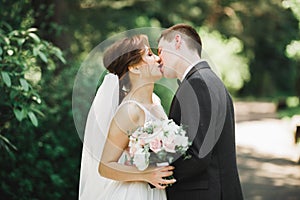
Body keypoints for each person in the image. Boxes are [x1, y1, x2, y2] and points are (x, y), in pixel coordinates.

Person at [78, 34, 175, 200]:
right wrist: (146, 175)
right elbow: (105, 166)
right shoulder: (130, 111)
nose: (159, 58)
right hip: (135, 193)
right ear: (134, 68)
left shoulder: (155, 102)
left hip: (155, 190)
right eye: (150, 55)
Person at [157, 24, 244, 199]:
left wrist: (162, 173)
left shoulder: (197, 84)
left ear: (177, 41)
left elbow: (197, 154)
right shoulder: (209, 79)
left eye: (160, 51)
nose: (159, 59)